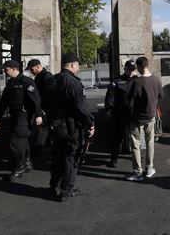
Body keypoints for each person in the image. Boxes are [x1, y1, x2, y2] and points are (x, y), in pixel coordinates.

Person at [50, 53, 95, 202]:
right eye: (77, 65)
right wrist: (90, 123)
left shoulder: (54, 79)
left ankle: (54, 185)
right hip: (71, 126)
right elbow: (80, 107)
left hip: (57, 125)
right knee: (71, 157)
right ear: (72, 65)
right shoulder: (73, 82)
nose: (78, 68)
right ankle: (66, 190)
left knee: (58, 156)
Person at [0, 60, 43, 181]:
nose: (4, 71)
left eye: (6, 69)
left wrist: (38, 114)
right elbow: (4, 102)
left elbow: (35, 99)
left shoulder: (26, 82)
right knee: (22, 140)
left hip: (24, 116)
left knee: (16, 141)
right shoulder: (10, 84)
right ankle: (26, 162)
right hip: (15, 115)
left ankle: (20, 166)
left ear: (14, 69)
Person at [124, 57, 163, 182]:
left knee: (135, 144)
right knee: (150, 143)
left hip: (137, 118)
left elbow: (129, 101)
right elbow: (161, 95)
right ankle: (149, 168)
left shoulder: (137, 82)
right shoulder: (156, 79)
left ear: (140, 67)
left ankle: (137, 172)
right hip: (151, 116)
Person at [104, 60, 137, 167]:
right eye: (129, 70)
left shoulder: (137, 80)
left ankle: (137, 156)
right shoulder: (117, 81)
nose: (131, 72)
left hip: (133, 114)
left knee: (135, 137)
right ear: (125, 69)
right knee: (117, 137)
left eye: (133, 70)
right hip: (119, 114)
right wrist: (108, 109)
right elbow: (110, 96)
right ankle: (114, 158)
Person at [27, 59, 56, 155]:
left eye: (32, 69)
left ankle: (36, 152)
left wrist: (44, 110)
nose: (31, 72)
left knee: (41, 132)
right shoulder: (40, 77)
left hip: (45, 109)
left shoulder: (46, 77)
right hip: (43, 108)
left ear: (38, 66)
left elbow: (49, 95)